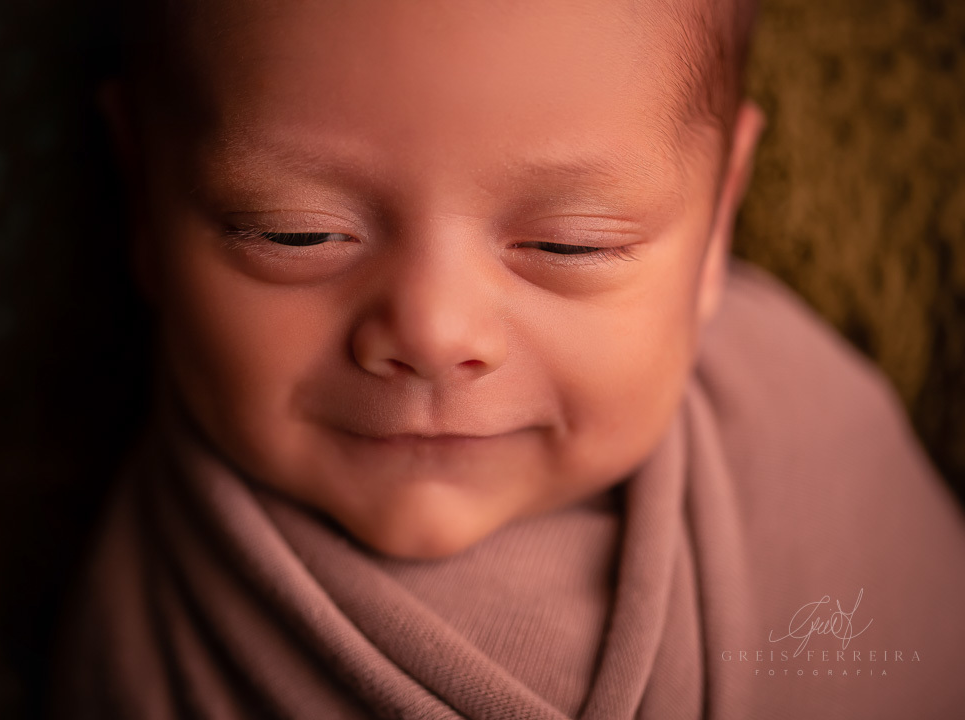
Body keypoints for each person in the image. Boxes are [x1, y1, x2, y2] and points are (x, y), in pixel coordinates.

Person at [53, 0, 965, 717]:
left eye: (572, 243)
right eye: (298, 233)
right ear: (144, 197)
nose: (434, 333)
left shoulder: (816, 439)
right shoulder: (144, 641)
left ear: (718, 220)